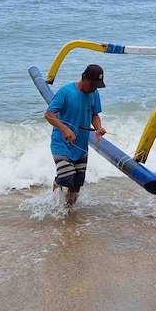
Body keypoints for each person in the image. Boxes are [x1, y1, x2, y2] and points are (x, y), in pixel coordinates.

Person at [44, 63, 107, 210]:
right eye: (92, 84)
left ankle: (67, 211)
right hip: (62, 144)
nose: (94, 88)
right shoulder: (66, 92)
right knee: (66, 178)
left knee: (77, 184)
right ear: (84, 78)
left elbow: (94, 114)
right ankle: (57, 182)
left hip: (81, 145)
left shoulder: (94, 94)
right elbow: (49, 115)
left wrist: (98, 128)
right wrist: (64, 129)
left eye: (97, 86)